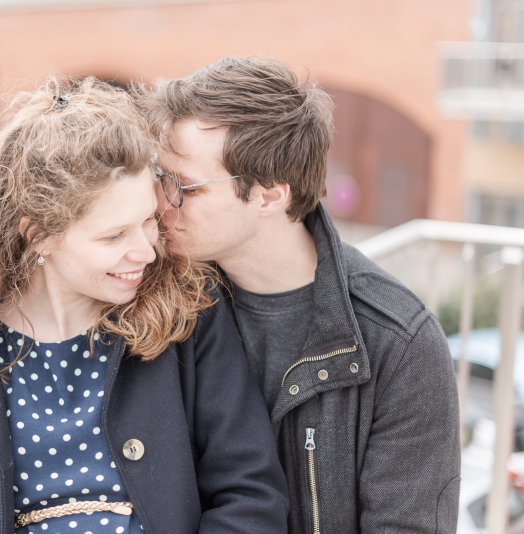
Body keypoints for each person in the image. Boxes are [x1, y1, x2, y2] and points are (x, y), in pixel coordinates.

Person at [0, 76, 289, 534]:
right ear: (38, 234)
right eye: (114, 236)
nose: (146, 251)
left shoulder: (188, 316)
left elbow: (251, 493)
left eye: (148, 221)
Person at [135, 56, 461, 533]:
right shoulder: (155, 298)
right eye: (159, 177)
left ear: (270, 196)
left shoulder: (399, 343)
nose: (161, 203)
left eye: (186, 187)